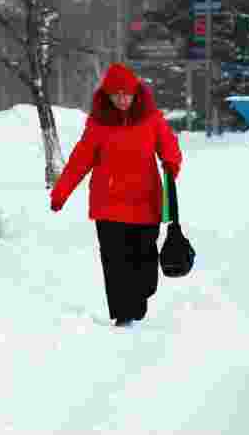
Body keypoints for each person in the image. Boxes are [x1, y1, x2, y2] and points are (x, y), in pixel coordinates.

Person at [50, 62, 183, 327]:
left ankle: (138, 299)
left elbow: (170, 148)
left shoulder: (152, 119)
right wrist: (60, 193)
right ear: (108, 96)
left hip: (146, 205)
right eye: (116, 94)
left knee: (145, 264)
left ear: (135, 93)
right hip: (108, 206)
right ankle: (123, 314)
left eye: (126, 94)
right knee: (115, 263)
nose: (122, 99)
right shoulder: (98, 124)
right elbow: (80, 161)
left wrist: (171, 164)